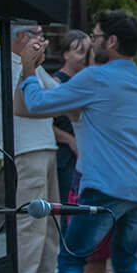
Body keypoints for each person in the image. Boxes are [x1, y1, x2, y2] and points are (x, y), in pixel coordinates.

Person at [15, 12, 137, 273]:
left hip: (105, 186)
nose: (92, 42)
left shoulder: (94, 78)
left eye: (95, 36)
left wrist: (28, 68)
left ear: (111, 41)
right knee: (125, 262)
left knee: (71, 259)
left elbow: (35, 103)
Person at [0, 22, 61, 273]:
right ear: (22, 36)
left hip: (45, 146)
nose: (43, 40)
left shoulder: (30, 66)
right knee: (30, 223)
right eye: (39, 35)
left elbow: (56, 96)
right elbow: (26, 103)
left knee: (50, 223)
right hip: (25, 149)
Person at [50, 28, 90, 208]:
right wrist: (70, 140)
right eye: (79, 52)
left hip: (88, 155)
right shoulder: (56, 83)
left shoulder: (89, 80)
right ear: (66, 54)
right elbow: (44, 123)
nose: (85, 57)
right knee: (69, 208)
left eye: (88, 52)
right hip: (67, 157)